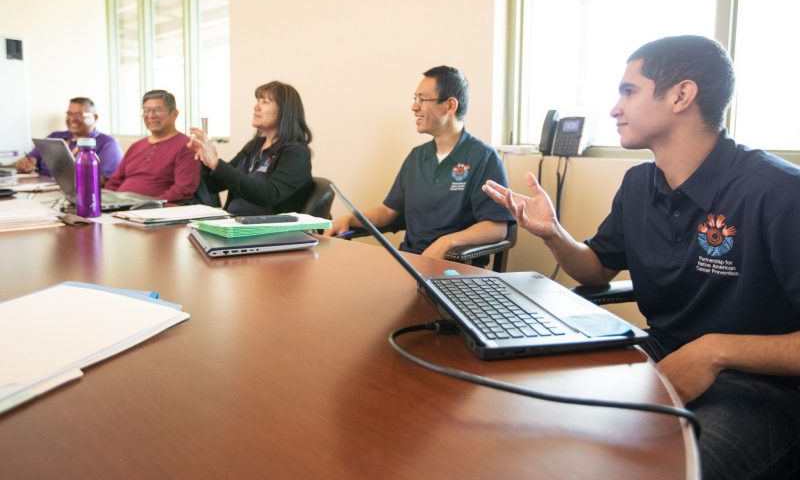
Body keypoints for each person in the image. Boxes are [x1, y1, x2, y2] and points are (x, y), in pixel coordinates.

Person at [483, 35, 800, 478]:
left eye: (628, 91)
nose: (615, 108)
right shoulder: (637, 185)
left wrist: (714, 351)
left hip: (761, 387)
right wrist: (553, 233)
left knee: (670, 469)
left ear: (681, 95)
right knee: (534, 418)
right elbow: (594, 268)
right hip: (660, 355)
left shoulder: (779, 193)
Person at [326, 65, 514, 260]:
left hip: (457, 269)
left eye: (422, 99)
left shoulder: (483, 157)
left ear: (450, 106)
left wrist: (447, 242)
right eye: (415, 99)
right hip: (411, 262)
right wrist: (350, 218)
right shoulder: (417, 156)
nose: (414, 107)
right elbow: (388, 211)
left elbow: (497, 227)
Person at [187, 81, 314, 215]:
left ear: (285, 111)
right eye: (257, 101)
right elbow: (214, 185)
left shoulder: (297, 152)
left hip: (266, 230)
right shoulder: (254, 146)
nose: (256, 106)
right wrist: (207, 160)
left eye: (265, 102)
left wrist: (217, 164)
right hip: (233, 224)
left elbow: (270, 194)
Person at [105, 89, 200, 202]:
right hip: (120, 208)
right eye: (146, 110)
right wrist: (110, 201)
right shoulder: (136, 146)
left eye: (157, 110)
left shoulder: (187, 146)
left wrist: (150, 205)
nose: (151, 115)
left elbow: (183, 189)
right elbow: (114, 182)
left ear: (175, 114)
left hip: (154, 211)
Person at [16, 97, 123, 183]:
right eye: (69, 114)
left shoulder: (107, 143)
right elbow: (28, 160)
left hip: (78, 194)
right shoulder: (55, 136)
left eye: (79, 114)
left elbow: (104, 180)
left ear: (95, 117)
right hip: (39, 189)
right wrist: (24, 164)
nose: (72, 119)